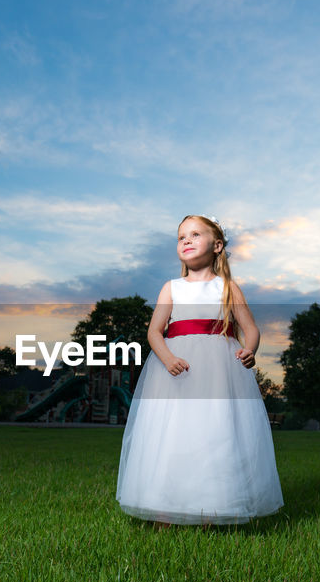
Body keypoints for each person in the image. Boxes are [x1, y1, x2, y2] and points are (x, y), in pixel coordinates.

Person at [116, 214, 284, 526]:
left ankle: (212, 506)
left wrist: (250, 351)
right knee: (172, 434)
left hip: (220, 371)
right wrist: (167, 359)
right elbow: (154, 332)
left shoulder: (228, 289)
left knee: (215, 432)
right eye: (181, 237)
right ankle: (163, 508)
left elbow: (251, 329)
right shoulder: (171, 288)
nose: (187, 241)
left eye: (195, 235)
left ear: (217, 245)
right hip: (176, 370)